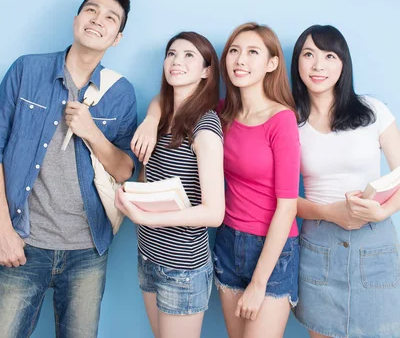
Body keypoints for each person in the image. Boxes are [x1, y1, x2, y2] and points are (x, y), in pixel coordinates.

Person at [132, 22, 300, 338]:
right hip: (227, 242)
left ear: (272, 63)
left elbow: (287, 206)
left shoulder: (282, 120)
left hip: (271, 248)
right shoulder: (223, 113)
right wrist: (151, 119)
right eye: (234, 51)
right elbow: (170, 99)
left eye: (252, 52)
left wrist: (260, 281)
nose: (240, 60)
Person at [0, 0, 138, 338]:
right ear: (77, 19)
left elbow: (125, 170)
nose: (97, 20)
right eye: (91, 10)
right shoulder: (26, 71)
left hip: (87, 251)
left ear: (117, 37)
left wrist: (92, 132)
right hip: (22, 240)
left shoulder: (120, 92)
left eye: (110, 18)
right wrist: (3, 231)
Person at [291, 24, 400, 338]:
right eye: (308, 54)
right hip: (318, 245)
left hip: (374, 240)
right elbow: (282, 199)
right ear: (297, 61)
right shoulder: (289, 122)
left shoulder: (373, 111)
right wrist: (330, 212)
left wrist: (381, 212)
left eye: (329, 56)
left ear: (343, 63)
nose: (318, 65)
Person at [116, 31, 224, 338]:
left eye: (189, 55)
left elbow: (214, 213)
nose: (176, 61)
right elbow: (158, 101)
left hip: (182, 268)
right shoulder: (163, 112)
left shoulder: (204, 127)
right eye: (172, 53)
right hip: (148, 254)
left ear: (206, 71)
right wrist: (150, 121)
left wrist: (147, 217)